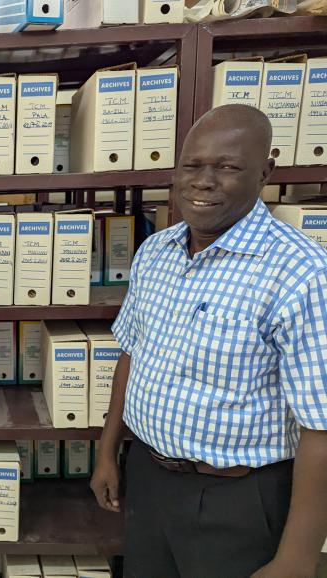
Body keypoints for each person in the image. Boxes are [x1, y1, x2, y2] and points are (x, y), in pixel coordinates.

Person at [91, 104, 327, 578]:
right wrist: (107, 453)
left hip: (237, 500)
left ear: (266, 172)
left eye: (228, 167)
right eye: (192, 165)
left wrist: (296, 559)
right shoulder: (157, 251)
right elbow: (131, 354)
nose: (203, 181)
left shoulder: (300, 273)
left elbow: (321, 426)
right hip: (151, 481)